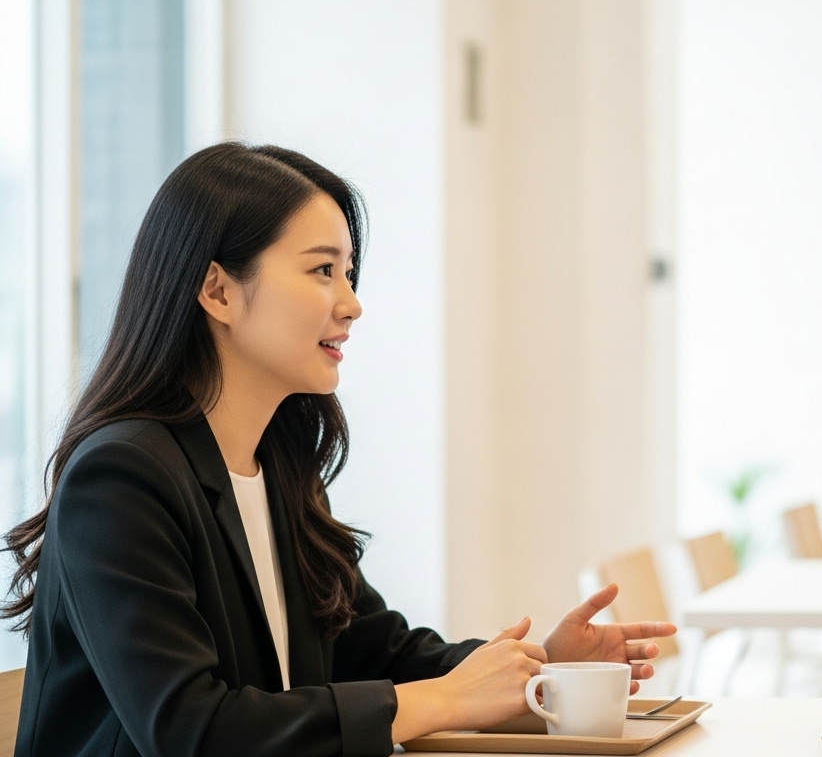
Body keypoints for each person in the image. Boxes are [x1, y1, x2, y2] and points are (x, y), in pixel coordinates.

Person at [4, 143, 677, 756]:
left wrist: (543, 670)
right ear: (217, 291)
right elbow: (191, 731)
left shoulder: (280, 470)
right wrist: (444, 699)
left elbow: (375, 651)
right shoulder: (121, 478)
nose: (351, 304)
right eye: (323, 270)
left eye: (348, 273)